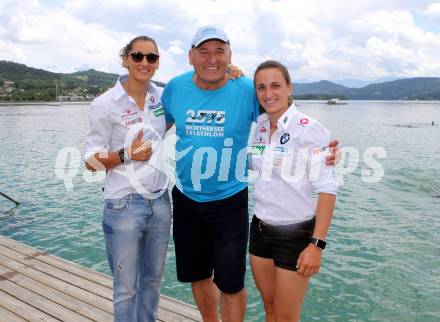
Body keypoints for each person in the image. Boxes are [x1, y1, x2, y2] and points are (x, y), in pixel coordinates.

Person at [161, 26, 340, 322]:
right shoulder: (175, 88)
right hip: (190, 200)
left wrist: (324, 150)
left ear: (230, 56)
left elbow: (291, 120)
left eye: (220, 51)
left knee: (234, 284)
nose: (212, 58)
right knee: (200, 276)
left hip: (231, 202)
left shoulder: (245, 89)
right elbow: (157, 126)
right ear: (190, 56)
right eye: (203, 51)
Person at [83, 36, 171, 322]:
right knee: (127, 289)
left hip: (160, 200)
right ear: (125, 59)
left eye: (151, 57)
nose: (145, 62)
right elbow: (90, 161)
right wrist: (126, 154)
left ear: (157, 63)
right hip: (123, 204)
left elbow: (183, 106)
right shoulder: (105, 104)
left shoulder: (161, 97)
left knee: (153, 283)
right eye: (138, 56)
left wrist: (230, 72)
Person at [248, 60, 338, 322]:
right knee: (270, 306)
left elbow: (328, 188)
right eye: (261, 87)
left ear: (289, 87)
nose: (268, 93)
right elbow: (254, 164)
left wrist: (316, 245)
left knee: (287, 316)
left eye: (275, 85)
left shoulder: (310, 128)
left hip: (295, 235)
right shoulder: (261, 126)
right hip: (260, 230)